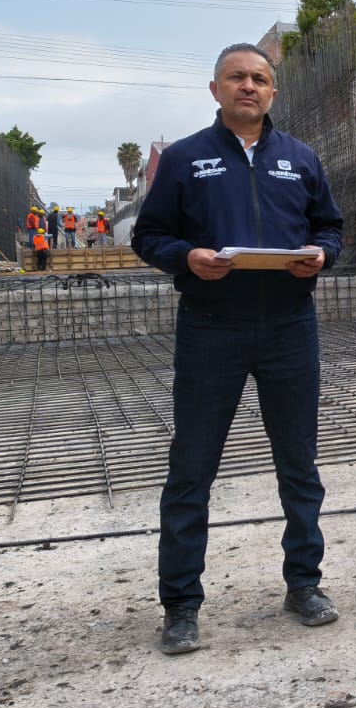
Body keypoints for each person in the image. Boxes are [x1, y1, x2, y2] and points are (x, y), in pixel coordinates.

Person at [132, 42, 344, 656]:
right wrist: (186, 258)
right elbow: (150, 235)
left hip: (289, 327)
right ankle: (181, 605)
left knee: (299, 464)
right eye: (236, 78)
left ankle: (304, 583)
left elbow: (330, 226)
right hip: (211, 329)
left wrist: (323, 256)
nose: (248, 86)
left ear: (273, 92)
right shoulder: (184, 159)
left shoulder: (299, 158)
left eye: (259, 78)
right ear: (215, 89)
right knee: (192, 466)